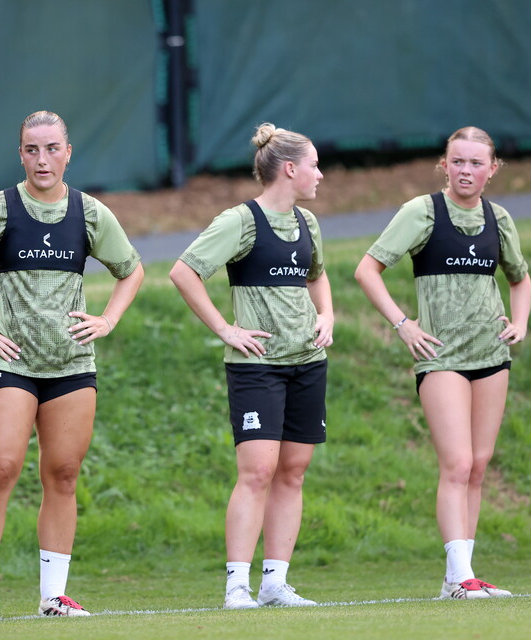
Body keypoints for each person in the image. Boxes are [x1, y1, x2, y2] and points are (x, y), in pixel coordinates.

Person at [0, 110, 144, 619]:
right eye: (31, 149)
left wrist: (108, 320)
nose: (42, 159)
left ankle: (54, 597)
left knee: (64, 473)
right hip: (12, 363)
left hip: (71, 363)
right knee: (1, 467)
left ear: (68, 153)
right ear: (20, 154)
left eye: (52, 148)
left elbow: (131, 270)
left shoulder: (89, 212)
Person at [354, 126, 531, 600]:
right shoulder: (422, 212)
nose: (466, 171)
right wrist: (403, 324)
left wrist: (521, 322)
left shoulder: (500, 218)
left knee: (477, 464)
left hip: (491, 355)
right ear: (444, 164)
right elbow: (367, 269)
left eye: (476, 163)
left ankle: (460, 575)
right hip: (441, 357)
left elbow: (520, 278)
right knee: (455, 463)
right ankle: (460, 578)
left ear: (493, 169)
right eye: (457, 161)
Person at [169, 123, 333, 609]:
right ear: (289, 169)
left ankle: (275, 584)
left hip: (308, 363)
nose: (320, 174)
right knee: (257, 471)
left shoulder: (309, 224)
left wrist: (327, 314)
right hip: (256, 367)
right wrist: (226, 329)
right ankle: (236, 586)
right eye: (314, 165)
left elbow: (317, 276)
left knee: (294, 471)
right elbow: (184, 272)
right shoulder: (241, 221)